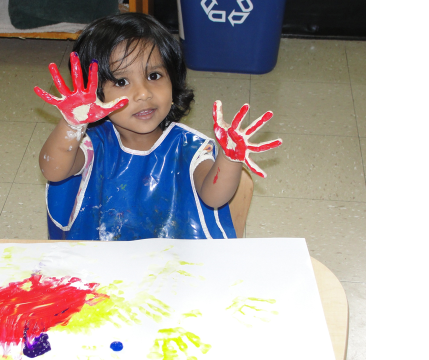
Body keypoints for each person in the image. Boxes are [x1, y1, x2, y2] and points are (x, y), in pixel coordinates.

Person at [34, 13, 282, 240]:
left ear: (173, 81)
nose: (143, 93)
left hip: (174, 266)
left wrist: (229, 158)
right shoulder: (94, 144)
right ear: (95, 93)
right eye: (121, 81)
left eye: (154, 76)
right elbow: (54, 170)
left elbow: (214, 197)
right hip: (104, 267)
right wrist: (71, 125)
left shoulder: (188, 148)